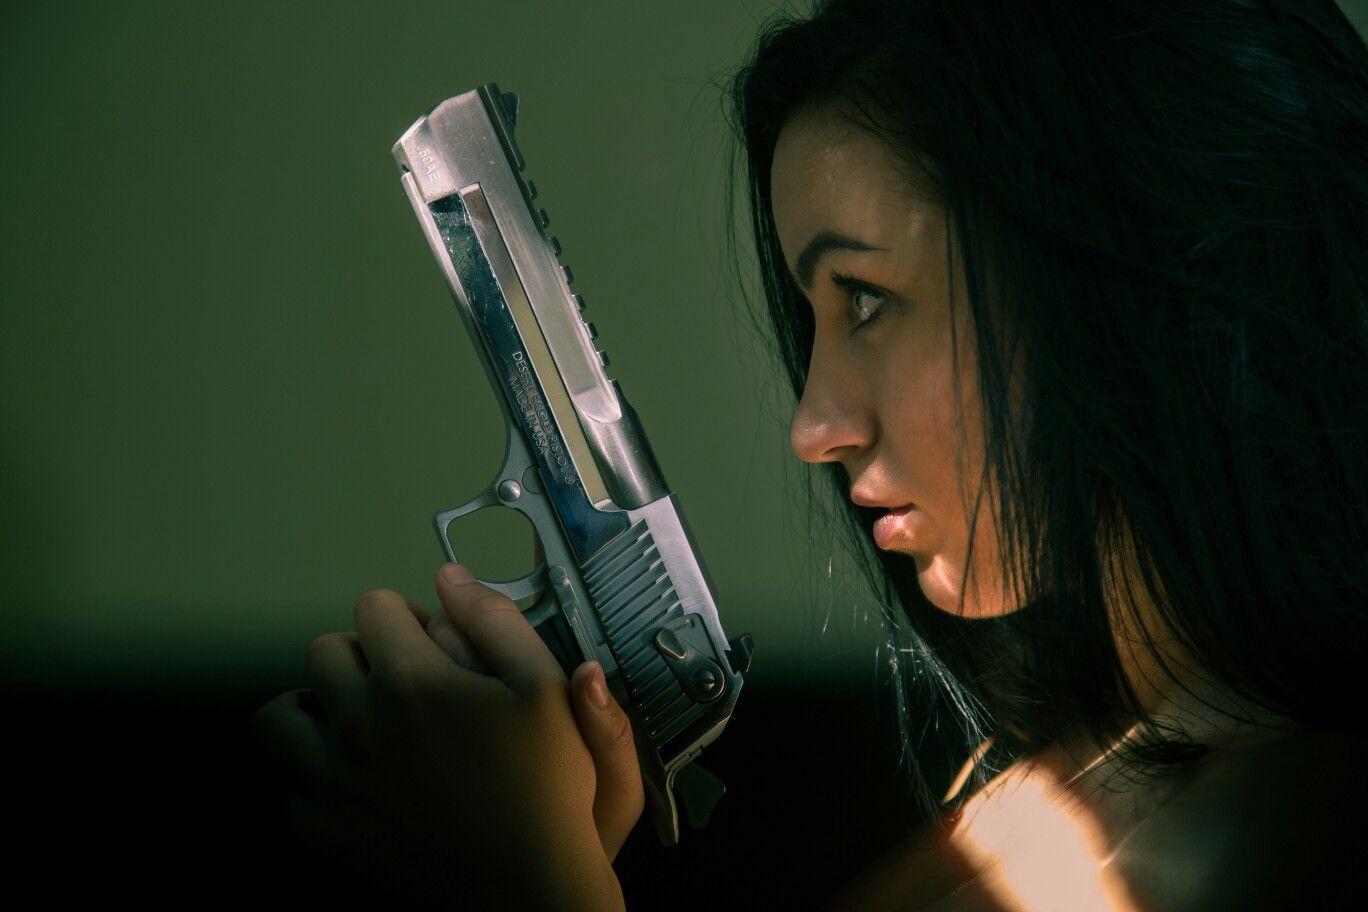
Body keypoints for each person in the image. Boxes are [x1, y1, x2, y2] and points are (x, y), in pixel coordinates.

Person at [252, 0, 1368, 907]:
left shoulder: (1273, 840)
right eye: (816, 314)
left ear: (1108, 280)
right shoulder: (1076, 782)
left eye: (867, 299)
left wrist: (521, 880)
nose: (812, 425)